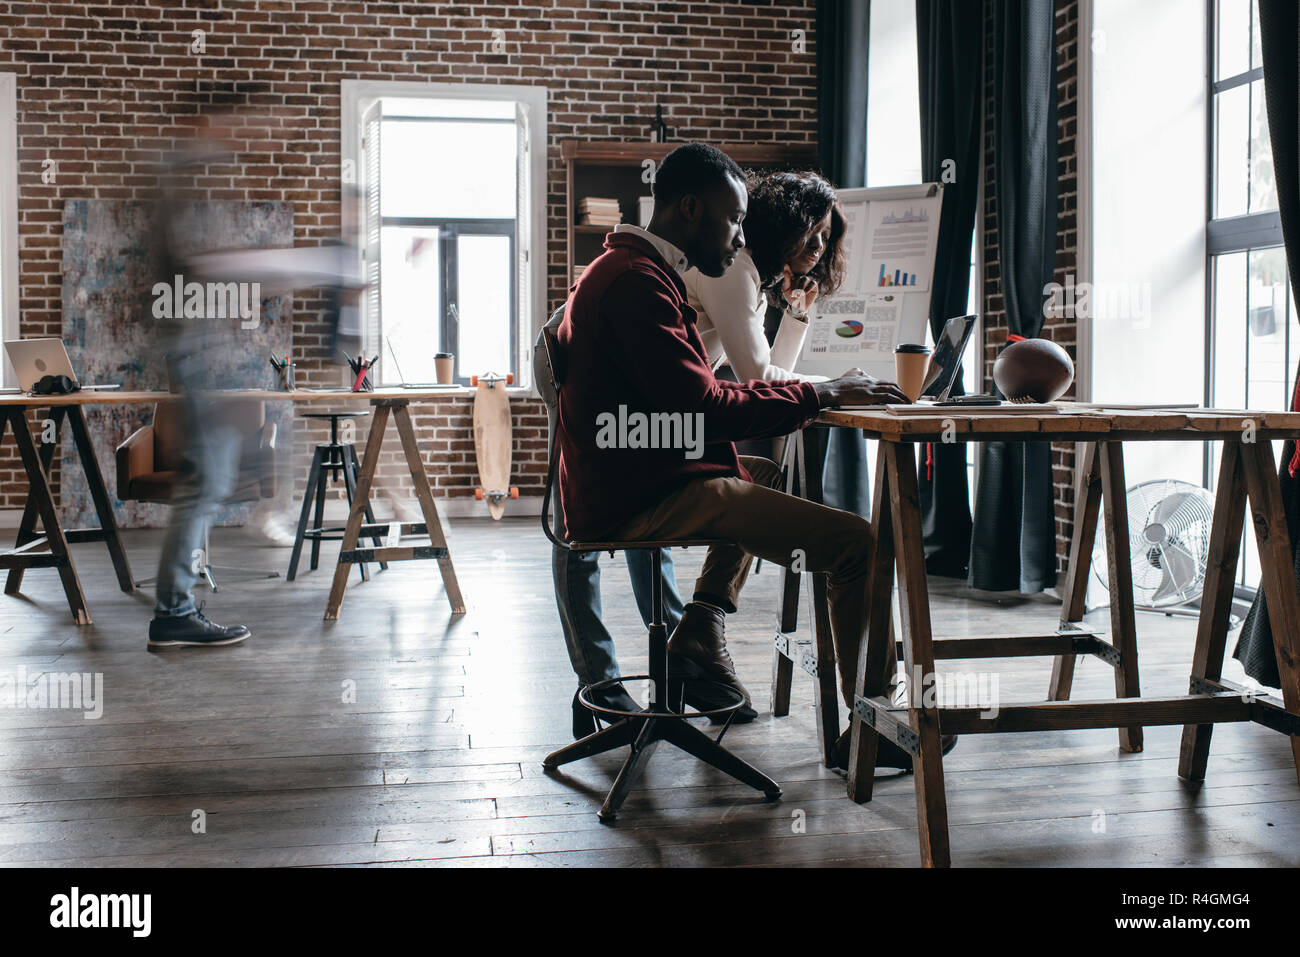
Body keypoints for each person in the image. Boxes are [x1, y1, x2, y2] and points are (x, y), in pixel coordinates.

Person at [554, 142, 953, 769]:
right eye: (733, 219)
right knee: (859, 547)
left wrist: (806, 389)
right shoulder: (637, 284)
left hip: (637, 471)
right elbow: (709, 405)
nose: (740, 235)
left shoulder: (630, 269)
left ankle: (700, 627)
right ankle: (873, 722)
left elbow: (704, 399)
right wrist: (819, 392)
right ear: (690, 209)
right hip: (641, 489)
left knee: (765, 474)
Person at [535, 310, 688, 738]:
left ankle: (684, 659)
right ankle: (598, 679)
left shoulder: (755, 279)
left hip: (639, 373)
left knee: (651, 510)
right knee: (577, 522)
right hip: (574, 357)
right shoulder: (722, 267)